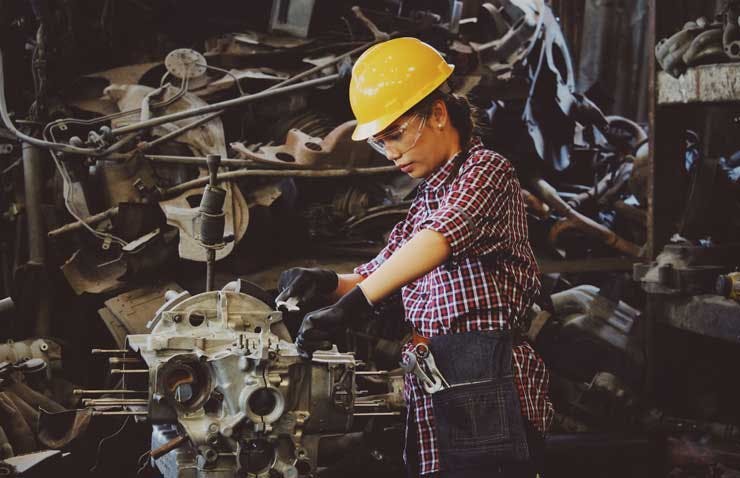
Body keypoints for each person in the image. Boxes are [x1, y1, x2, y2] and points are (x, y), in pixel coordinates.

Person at [276, 37, 553, 478]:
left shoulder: (487, 171)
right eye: (382, 143)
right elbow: (379, 273)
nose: (392, 153)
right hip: (438, 378)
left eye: (397, 134)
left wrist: (351, 306)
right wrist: (326, 282)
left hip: (487, 379)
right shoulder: (425, 200)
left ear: (438, 114)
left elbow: (439, 240)